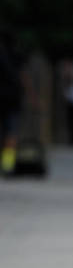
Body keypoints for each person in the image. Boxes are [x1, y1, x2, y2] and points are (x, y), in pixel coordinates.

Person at [0, 30, 23, 175]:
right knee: (11, 134)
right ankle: (7, 165)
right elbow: (23, 77)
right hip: (13, 100)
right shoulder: (16, 56)